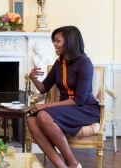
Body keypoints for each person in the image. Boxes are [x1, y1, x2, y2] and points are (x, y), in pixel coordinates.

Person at [27, 26, 99, 168]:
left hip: (85, 108)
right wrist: (32, 78)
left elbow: (79, 100)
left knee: (43, 116)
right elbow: (44, 88)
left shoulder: (85, 63)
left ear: (70, 42)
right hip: (66, 108)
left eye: (57, 41)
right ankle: (61, 166)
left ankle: (72, 162)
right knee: (30, 120)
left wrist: (45, 106)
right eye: (54, 41)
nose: (54, 44)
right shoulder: (59, 62)